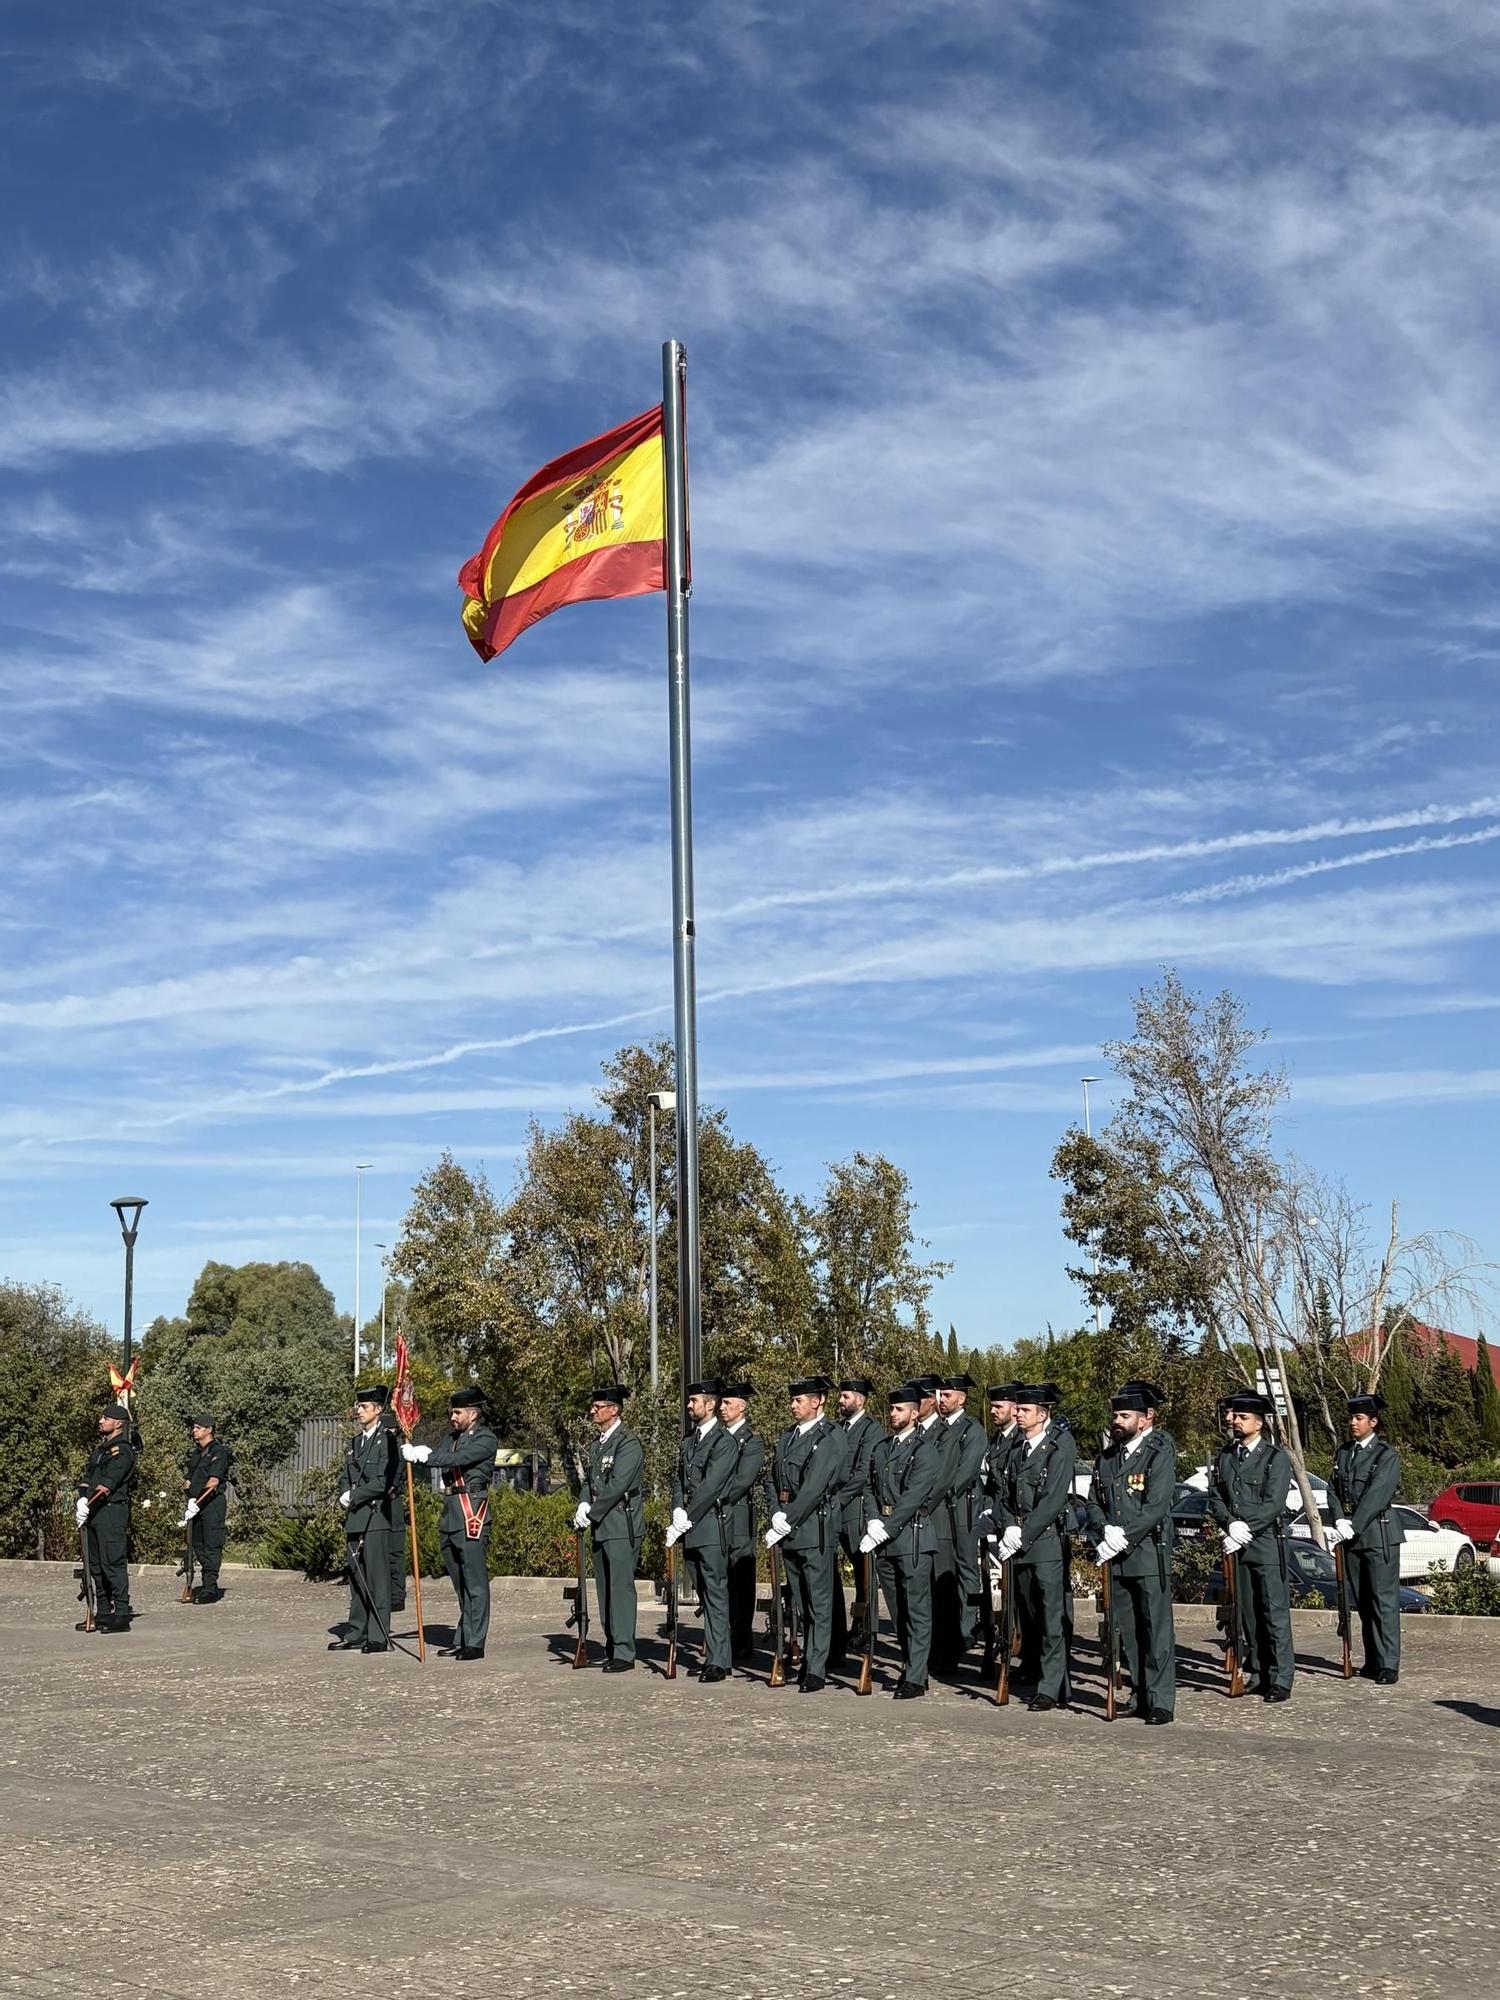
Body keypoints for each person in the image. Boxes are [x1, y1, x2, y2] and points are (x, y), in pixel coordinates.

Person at [1089, 1381, 1177, 1724]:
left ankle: (1160, 1700)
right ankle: (1139, 1693)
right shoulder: (1108, 1458)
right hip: (1118, 1557)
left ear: (1146, 1417)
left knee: (1155, 1630)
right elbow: (1094, 1502)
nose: (1117, 1421)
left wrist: (1122, 1536)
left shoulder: (1159, 1451)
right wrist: (1104, 1529)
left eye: (1125, 1415)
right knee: (1128, 1632)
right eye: (1115, 1415)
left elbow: (1155, 1506)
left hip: (1148, 1553)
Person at [1206, 1390, 1294, 1702]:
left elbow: (1273, 1503)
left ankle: (1280, 1678)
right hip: (1237, 1545)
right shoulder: (1227, 1456)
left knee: (1273, 1612)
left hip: (1265, 1544)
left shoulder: (1274, 1458)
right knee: (1248, 1613)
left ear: (1259, 1423)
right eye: (1236, 1417)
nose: (1236, 1422)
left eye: (1243, 1418)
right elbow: (1216, 1495)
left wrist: (1247, 1528)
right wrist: (1230, 1524)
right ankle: (1257, 1671)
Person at [764, 1376, 849, 1692]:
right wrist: (776, 1513)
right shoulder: (788, 1437)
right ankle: (811, 1661)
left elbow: (813, 1488)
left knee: (819, 1603)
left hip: (814, 1528)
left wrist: (786, 1520)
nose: (793, 1405)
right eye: (793, 1400)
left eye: (798, 1400)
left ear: (817, 1402)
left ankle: (816, 1668)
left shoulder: (828, 1437)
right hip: (790, 1529)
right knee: (801, 1601)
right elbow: (772, 1480)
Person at [996, 1384, 1077, 1710]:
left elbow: (1053, 1501)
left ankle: (1051, 1687)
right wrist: (1008, 1525)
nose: (1018, 1414)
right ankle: (1045, 1679)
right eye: (1017, 1409)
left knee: (1050, 1619)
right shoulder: (1017, 1449)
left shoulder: (1057, 1448)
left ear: (1042, 1415)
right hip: (1020, 1543)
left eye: (1025, 1410)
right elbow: (1005, 1495)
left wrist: (1023, 1533)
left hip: (1044, 1544)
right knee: (1030, 1617)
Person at [402, 1387, 498, 1661]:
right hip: (451, 1513)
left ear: (473, 1414)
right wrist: (418, 1452)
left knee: (475, 1582)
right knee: (460, 1583)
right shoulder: (452, 1437)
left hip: (471, 1512)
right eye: (452, 1412)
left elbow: (458, 1459)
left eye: (457, 1412)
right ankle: (463, 1637)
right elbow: (440, 1456)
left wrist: (426, 1456)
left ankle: (475, 1643)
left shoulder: (486, 1438)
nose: (452, 1417)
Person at [862, 1383, 942, 1697]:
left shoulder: (924, 1451)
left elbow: (913, 1497)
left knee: (917, 1610)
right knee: (898, 1611)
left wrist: (887, 1526)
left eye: (899, 1409)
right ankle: (912, 1666)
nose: (893, 1414)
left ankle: (916, 1676)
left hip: (912, 1537)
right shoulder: (882, 1448)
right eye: (892, 1409)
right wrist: (872, 1519)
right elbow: (869, 1487)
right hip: (885, 1538)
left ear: (914, 1413)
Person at [1327, 1392, 1405, 1685]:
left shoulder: (1385, 1455)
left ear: (1373, 1422)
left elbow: (1377, 1495)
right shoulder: (1344, 1453)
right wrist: (1338, 1518)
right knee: (1363, 1601)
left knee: (1383, 1600)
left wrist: (1354, 1524)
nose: (1352, 1423)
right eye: (1351, 1417)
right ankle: (1373, 1659)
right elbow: (1333, 1490)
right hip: (1352, 1537)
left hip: (1378, 1535)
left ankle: (1388, 1663)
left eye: (1358, 1418)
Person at [667, 1379, 739, 1681]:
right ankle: (716, 1655)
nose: (689, 1405)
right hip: (691, 1528)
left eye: (694, 1400)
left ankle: (719, 1661)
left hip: (710, 1526)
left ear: (710, 1404)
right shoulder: (689, 1441)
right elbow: (679, 1480)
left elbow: (711, 1486)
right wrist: (677, 1508)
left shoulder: (724, 1442)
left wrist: (686, 1516)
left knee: (716, 1594)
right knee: (705, 1595)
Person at [575, 1386, 645, 1672]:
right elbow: (590, 1481)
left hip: (619, 1522)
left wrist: (592, 1512)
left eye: (598, 1407)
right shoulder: (598, 1444)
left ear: (614, 1410)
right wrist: (582, 1503)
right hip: (602, 1525)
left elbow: (617, 1485)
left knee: (620, 1588)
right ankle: (612, 1645)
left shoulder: (627, 1443)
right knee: (604, 1589)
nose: (593, 1411)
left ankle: (624, 1652)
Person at [329, 1386, 399, 1654]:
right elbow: (345, 1475)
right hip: (355, 1516)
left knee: (377, 1579)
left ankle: (378, 1635)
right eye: (358, 1406)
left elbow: (383, 1481)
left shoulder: (388, 1441)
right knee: (356, 1577)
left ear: (378, 1410)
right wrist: (343, 1494)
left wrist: (355, 1495)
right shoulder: (355, 1442)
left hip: (375, 1515)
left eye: (364, 1407)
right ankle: (356, 1631)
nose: (359, 1411)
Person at [931, 1373, 987, 1672]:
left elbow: (966, 1471)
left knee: (966, 1568)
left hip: (963, 1507)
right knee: (945, 1570)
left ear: (962, 1398)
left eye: (948, 1395)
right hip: (940, 1511)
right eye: (940, 1395)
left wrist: (937, 1491)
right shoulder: (938, 1429)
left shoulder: (972, 1429)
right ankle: (948, 1631)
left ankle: (967, 1626)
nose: (942, 1400)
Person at [829, 1375, 884, 1675]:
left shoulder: (871, 1429)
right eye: (841, 1396)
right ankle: (841, 1631)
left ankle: (865, 1630)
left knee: (864, 1573)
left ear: (860, 1400)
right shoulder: (838, 1429)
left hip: (855, 1509)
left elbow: (865, 1472)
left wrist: (838, 1497)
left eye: (846, 1396)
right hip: (834, 1508)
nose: (841, 1400)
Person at [77, 1404, 137, 1632]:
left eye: (106, 1418)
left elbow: (106, 1486)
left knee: (112, 1562)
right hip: (94, 1512)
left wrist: (88, 1503)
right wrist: (82, 1500)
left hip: (111, 1511)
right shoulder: (101, 1449)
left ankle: (121, 1614)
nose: (101, 1421)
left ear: (118, 1423)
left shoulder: (122, 1451)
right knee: (95, 1565)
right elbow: (87, 1479)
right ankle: (103, 1611)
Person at [718, 1381, 765, 1663]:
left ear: (742, 1406)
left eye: (727, 1403)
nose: (722, 1408)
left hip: (738, 1516)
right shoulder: (717, 1438)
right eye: (722, 1403)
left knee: (741, 1582)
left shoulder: (751, 1440)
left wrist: (714, 1497)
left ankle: (742, 1640)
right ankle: (722, 1637)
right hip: (716, 1517)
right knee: (720, 1580)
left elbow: (743, 1480)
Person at [181, 1415, 231, 1604]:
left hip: (211, 1504)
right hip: (195, 1505)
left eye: (198, 1428)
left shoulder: (218, 1451)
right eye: (194, 1427)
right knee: (197, 1544)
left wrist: (198, 1502)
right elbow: (188, 1480)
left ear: (209, 1430)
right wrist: (189, 1499)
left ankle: (210, 1587)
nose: (194, 1431)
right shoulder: (196, 1453)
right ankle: (201, 1582)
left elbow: (213, 1482)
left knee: (211, 1544)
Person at [379, 1396, 409, 1614]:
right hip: (380, 1502)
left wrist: (390, 1488)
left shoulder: (398, 1450)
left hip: (392, 1500)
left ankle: (396, 1595)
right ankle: (386, 1593)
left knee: (395, 1551)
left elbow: (396, 1477)